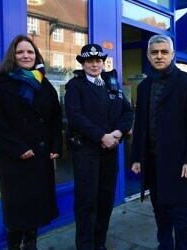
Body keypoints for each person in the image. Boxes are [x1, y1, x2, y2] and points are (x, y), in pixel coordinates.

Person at [0, 35, 62, 250]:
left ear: (36, 55)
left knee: (35, 206)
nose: (25, 56)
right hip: (12, 158)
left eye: (30, 52)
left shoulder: (44, 83)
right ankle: (14, 246)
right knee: (16, 208)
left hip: (39, 156)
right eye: (20, 52)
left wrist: (56, 146)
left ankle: (30, 244)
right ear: (13, 55)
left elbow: (56, 118)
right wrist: (18, 148)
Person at [131, 34, 187, 250]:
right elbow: (141, 125)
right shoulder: (144, 86)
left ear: (172, 55)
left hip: (179, 164)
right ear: (148, 55)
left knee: (180, 217)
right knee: (160, 213)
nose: (159, 56)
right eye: (154, 52)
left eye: (164, 52)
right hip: (153, 164)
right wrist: (136, 157)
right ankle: (164, 246)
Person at [65, 43, 133, 250]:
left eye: (98, 61)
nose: (94, 65)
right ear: (83, 64)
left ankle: (99, 244)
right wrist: (101, 136)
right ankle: (85, 245)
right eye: (89, 61)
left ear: (103, 63)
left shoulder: (112, 84)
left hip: (110, 152)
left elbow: (128, 112)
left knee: (105, 201)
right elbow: (75, 117)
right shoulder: (75, 86)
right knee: (87, 202)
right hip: (87, 153)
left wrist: (118, 132)